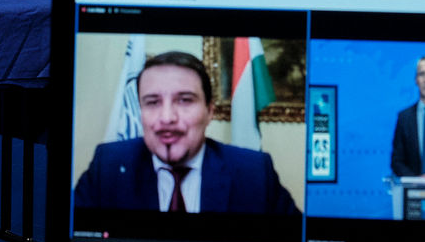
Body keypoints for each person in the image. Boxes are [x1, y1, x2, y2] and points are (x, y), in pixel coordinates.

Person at [74, 51, 300, 214]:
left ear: (209, 111)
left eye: (184, 100)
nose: (167, 117)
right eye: (152, 102)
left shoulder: (253, 173)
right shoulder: (108, 167)